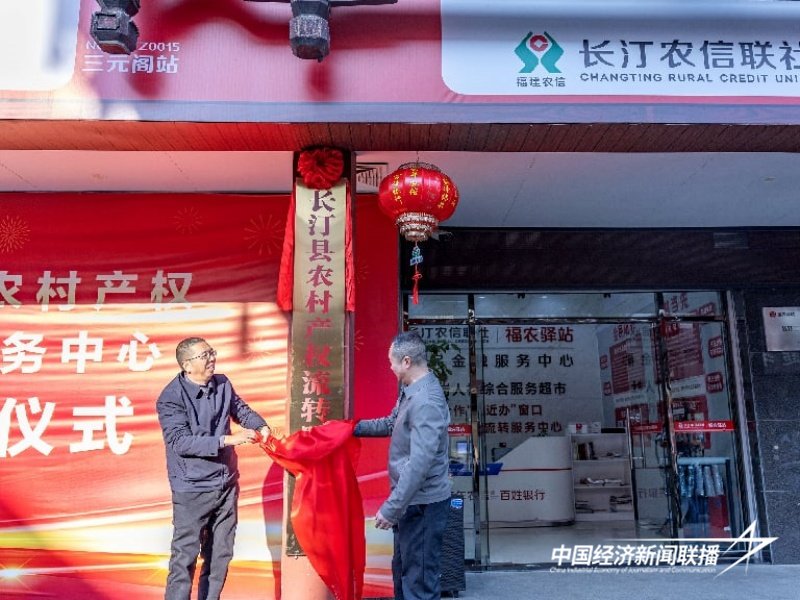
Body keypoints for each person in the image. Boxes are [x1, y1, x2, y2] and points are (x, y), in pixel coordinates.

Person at [156, 337, 270, 600]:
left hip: (226, 484)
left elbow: (242, 411)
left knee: (220, 554)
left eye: (212, 353)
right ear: (187, 365)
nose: (212, 359)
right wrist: (227, 440)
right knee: (185, 557)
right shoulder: (171, 397)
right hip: (192, 488)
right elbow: (180, 442)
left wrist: (260, 425)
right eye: (204, 356)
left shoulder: (223, 384)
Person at [354, 331, 452, 600]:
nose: (390, 367)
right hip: (413, 504)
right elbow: (390, 423)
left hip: (423, 506)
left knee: (419, 583)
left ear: (406, 361)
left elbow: (419, 464)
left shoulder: (426, 401)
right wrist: (351, 428)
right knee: (405, 574)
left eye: (392, 362)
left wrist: (392, 508)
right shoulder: (412, 391)